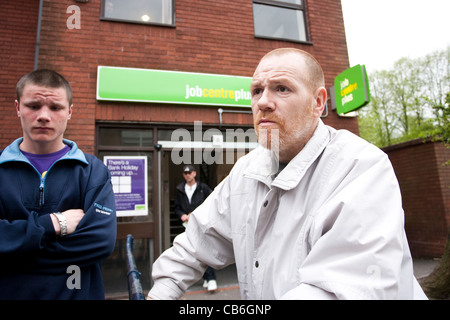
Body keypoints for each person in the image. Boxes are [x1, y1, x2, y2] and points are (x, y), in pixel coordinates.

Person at [148, 48, 427, 300]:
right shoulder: (246, 170)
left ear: (318, 102)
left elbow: (344, 289)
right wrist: (162, 291)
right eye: (257, 90)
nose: (263, 103)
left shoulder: (362, 168)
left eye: (281, 88)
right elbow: (197, 240)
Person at [0, 69, 117, 299]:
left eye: (55, 108)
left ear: (70, 112)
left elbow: (100, 242)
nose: (44, 115)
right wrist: (53, 224)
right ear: (18, 108)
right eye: (34, 106)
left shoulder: (93, 172)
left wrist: (14, 249)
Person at [173, 164, 217, 291]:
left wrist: (200, 214)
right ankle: (206, 278)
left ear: (195, 174)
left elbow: (212, 201)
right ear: (183, 175)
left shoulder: (203, 188)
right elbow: (176, 207)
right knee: (193, 253)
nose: (188, 175)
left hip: (201, 224)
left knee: (205, 251)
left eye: (190, 172)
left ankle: (211, 278)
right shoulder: (180, 189)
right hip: (187, 226)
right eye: (185, 173)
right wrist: (181, 215)